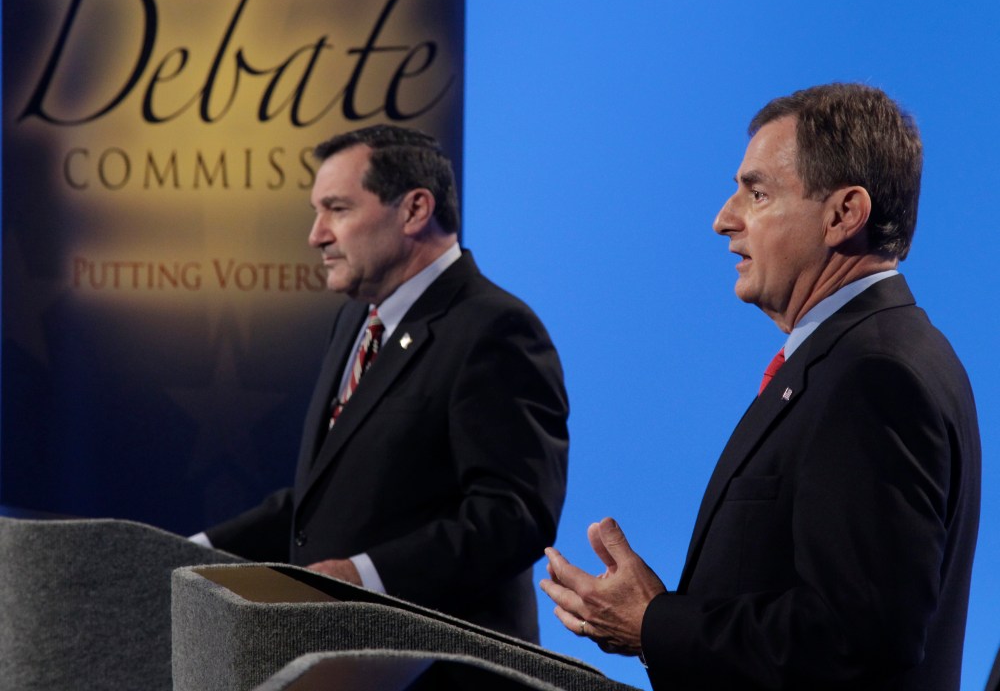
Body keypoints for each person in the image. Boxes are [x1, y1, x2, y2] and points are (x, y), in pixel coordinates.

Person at [540, 83, 981, 689]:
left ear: (843, 214)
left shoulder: (875, 375)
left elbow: (857, 637)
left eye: (757, 193)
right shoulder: (864, 355)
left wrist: (654, 624)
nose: (724, 219)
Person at [198, 124, 569, 642]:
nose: (316, 235)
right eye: (317, 212)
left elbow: (512, 518)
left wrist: (363, 577)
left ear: (414, 210)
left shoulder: (494, 328)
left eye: (337, 209)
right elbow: (323, 505)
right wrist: (192, 555)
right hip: (340, 656)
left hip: (440, 663)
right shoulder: (356, 321)